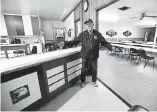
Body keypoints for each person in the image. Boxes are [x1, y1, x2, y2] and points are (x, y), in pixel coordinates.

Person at [65, 19, 113, 88]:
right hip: (85, 54)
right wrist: (66, 43)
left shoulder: (98, 34)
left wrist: (110, 47)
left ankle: (94, 81)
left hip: (94, 55)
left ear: (93, 25)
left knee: (94, 69)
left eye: (90, 24)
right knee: (83, 69)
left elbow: (104, 42)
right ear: (85, 26)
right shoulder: (82, 34)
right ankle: (83, 81)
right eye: (87, 25)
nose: (89, 26)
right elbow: (75, 41)